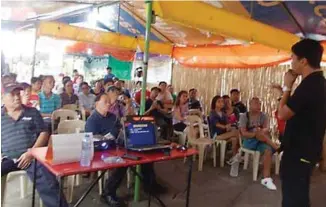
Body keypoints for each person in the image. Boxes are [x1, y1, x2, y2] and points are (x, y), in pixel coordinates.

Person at [85, 93, 165, 207]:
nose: (109, 104)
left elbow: (121, 129)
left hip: (118, 146)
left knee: (144, 155)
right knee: (122, 163)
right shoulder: (92, 120)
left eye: (109, 101)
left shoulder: (112, 117)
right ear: (97, 104)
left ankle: (150, 185)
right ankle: (108, 193)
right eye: (105, 102)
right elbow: (91, 140)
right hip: (102, 151)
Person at [1, 83, 68, 207]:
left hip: (32, 157)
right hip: (7, 158)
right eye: (12, 94)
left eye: (18, 94)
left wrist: (31, 152)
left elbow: (44, 132)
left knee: (49, 183)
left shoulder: (31, 112)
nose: (17, 97)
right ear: (3, 97)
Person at [277, 39, 326, 207]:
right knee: (300, 197)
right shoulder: (320, 83)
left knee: (294, 199)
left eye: (293, 58)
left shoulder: (309, 86)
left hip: (298, 154)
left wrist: (287, 87)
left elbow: (282, 114)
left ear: (303, 61)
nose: (292, 62)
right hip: (308, 152)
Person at [239, 97, 279, 190]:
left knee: (268, 150)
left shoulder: (263, 116)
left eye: (260, 103)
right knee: (259, 135)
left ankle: (266, 179)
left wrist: (260, 131)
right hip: (249, 142)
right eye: (256, 103)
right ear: (250, 105)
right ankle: (276, 147)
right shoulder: (244, 116)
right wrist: (255, 134)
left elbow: (266, 129)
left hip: (261, 141)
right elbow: (244, 133)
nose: (259, 105)